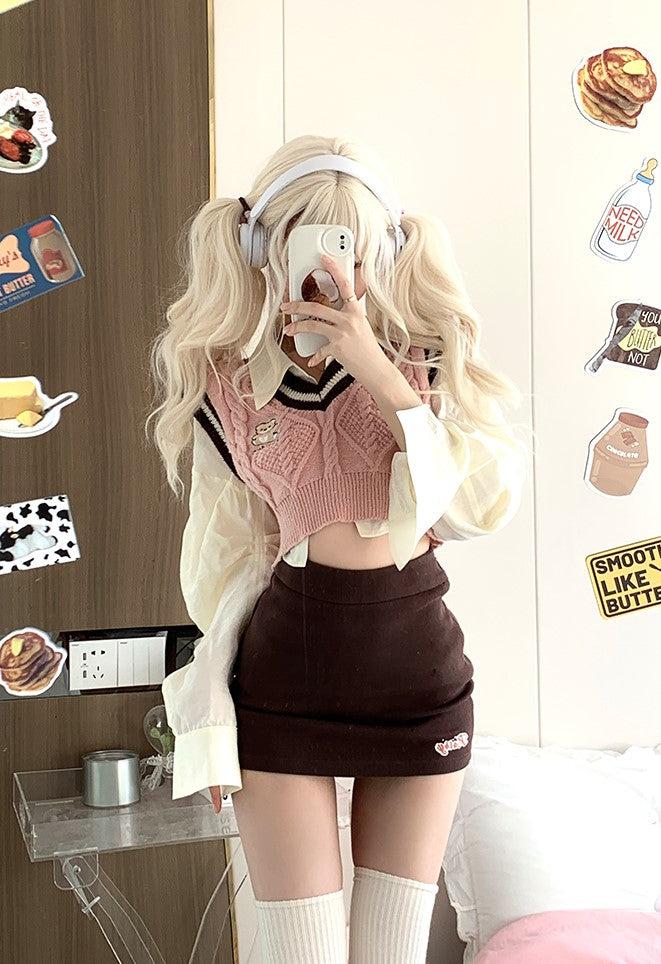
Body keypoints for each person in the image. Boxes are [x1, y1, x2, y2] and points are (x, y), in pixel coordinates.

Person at [147, 135, 527, 964]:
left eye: (349, 245)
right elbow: (225, 565)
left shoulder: (429, 362)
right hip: (282, 688)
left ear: (381, 250)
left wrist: (380, 375)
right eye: (307, 245)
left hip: (418, 686)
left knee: (390, 954)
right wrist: (210, 713)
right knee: (302, 955)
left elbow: (478, 510)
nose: (330, 270)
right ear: (262, 250)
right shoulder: (224, 389)